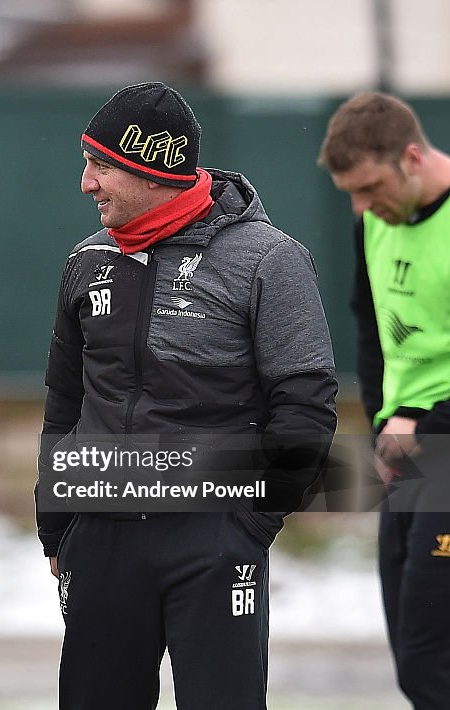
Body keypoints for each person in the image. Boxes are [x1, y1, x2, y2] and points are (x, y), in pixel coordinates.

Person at [36, 82, 338, 709]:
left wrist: (252, 523)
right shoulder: (86, 261)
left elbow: (306, 405)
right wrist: (58, 526)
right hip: (100, 537)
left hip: (215, 540)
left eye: (100, 165)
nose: (86, 184)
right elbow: (63, 402)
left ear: (153, 169)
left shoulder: (269, 261)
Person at [318, 91, 450, 710]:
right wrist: (382, 428)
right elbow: (371, 332)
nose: (362, 206)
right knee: (411, 658)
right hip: (409, 453)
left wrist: (419, 420)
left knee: (430, 657)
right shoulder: (370, 223)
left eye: (370, 188)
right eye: (351, 193)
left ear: (412, 157)